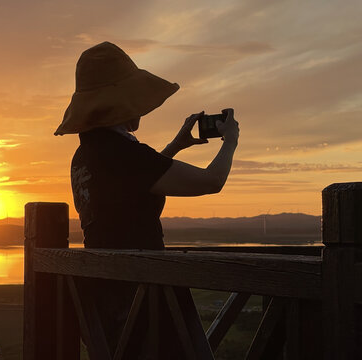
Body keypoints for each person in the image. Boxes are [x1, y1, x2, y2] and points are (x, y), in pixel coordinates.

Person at [55, 41, 239, 357]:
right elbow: (212, 181)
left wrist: (174, 147)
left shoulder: (85, 156)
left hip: (107, 296)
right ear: (123, 102)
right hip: (146, 295)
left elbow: (131, 188)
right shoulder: (126, 155)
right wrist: (231, 142)